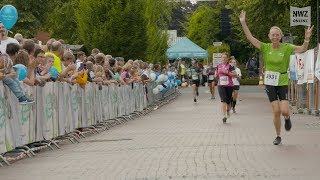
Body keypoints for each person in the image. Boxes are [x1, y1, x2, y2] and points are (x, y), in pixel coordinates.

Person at [239, 10, 314, 145]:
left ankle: (287, 118)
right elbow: (250, 38)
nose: (274, 36)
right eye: (272, 34)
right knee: (276, 111)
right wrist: (243, 22)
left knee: (284, 110)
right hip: (270, 82)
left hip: (283, 81)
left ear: (281, 36)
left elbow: (302, 49)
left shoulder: (287, 47)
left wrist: (307, 38)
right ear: (269, 36)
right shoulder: (265, 47)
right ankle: (278, 135)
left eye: (277, 34)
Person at [216, 53, 237, 123]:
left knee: (228, 101)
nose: (224, 59)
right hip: (220, 85)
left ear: (227, 59)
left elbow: (235, 75)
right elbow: (216, 74)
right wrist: (215, 75)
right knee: (223, 100)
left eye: (225, 57)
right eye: (223, 57)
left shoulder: (230, 66)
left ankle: (228, 111)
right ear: (221, 59)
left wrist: (227, 72)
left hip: (229, 86)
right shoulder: (218, 66)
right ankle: (224, 116)